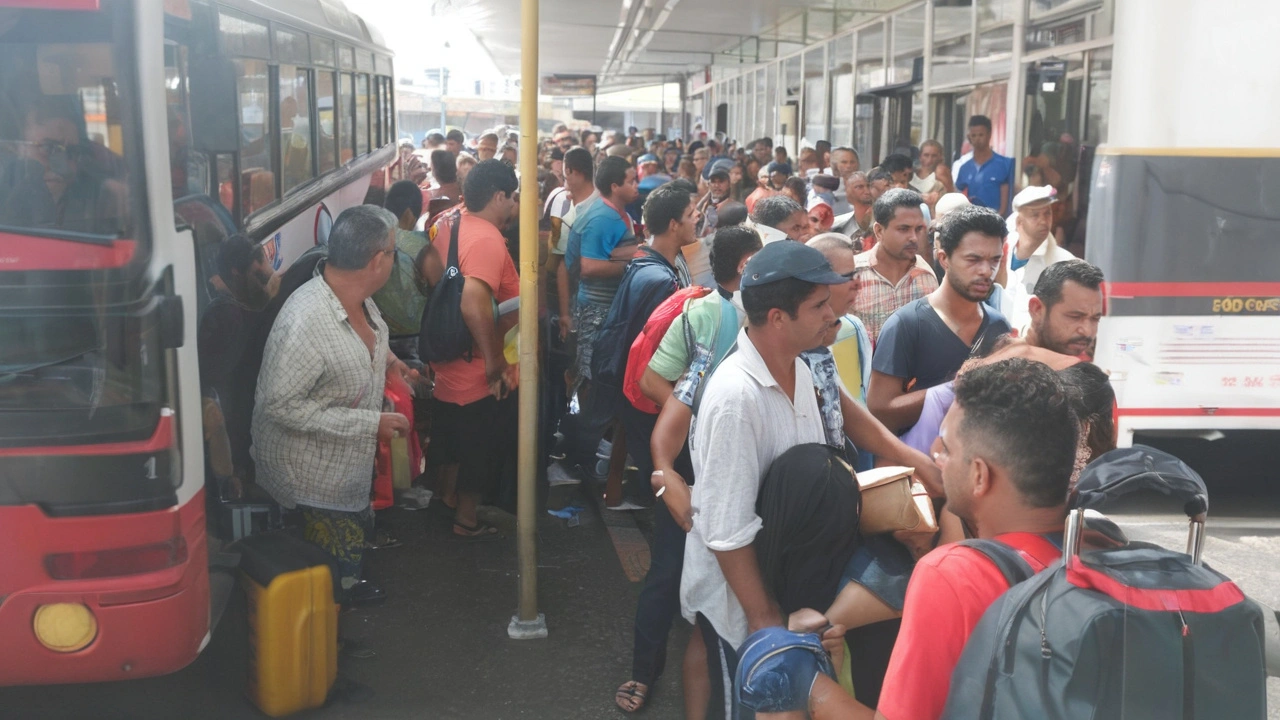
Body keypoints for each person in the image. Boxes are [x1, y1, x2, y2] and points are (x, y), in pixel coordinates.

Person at [769, 357, 1079, 720]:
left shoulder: (952, 576)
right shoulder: (1096, 547)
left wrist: (811, 686)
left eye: (947, 448)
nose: (934, 455)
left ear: (979, 475)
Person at [680, 240, 849, 718]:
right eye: (818, 306)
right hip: (742, 611)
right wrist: (764, 620)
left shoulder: (798, 366)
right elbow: (726, 530)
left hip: (779, 594)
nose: (830, 314)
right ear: (777, 317)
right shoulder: (737, 397)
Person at [251, 205, 408, 604]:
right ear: (377, 261)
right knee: (323, 583)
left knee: (346, 557)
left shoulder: (355, 296)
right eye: (393, 252)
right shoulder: (306, 321)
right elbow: (279, 406)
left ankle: (346, 588)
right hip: (312, 481)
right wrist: (369, 424)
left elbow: (363, 342)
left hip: (345, 471)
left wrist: (393, 364)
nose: (395, 259)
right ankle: (330, 638)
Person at [609, 183, 703, 711]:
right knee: (669, 557)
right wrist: (664, 451)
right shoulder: (668, 286)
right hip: (667, 433)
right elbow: (646, 372)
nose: (696, 224)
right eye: (692, 216)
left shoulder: (659, 270)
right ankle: (645, 670)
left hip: (662, 429)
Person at [428, 160, 522, 538]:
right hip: (476, 362)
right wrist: (494, 361)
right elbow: (472, 301)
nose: (514, 205)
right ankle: (466, 519)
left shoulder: (448, 219)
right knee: (479, 444)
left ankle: (446, 498)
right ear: (498, 196)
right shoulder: (486, 239)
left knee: (451, 437)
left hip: (449, 355)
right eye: (512, 197)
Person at [868, 205, 1011, 434]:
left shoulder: (998, 326)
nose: (986, 271)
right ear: (944, 259)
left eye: (995, 260)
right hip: (920, 465)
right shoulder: (907, 325)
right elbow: (880, 411)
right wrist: (959, 389)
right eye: (973, 260)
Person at [850, 188, 939, 343]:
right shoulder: (852, 276)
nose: (913, 238)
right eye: (903, 229)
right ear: (879, 231)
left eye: (918, 229)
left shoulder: (926, 277)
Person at [997, 185, 1075, 331]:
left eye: (1047, 214)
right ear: (1019, 222)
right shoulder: (1000, 253)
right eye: (1035, 215)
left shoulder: (1065, 262)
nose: (1043, 220)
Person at [371, 181, 430, 350]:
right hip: (415, 339)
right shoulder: (423, 244)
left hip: (378, 337)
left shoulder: (370, 241)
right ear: (409, 214)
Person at [1023, 259, 1105, 359]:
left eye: (1095, 319)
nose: (1087, 331)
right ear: (1037, 309)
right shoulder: (1006, 365)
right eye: (1075, 317)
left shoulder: (1084, 364)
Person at [955, 115, 1015, 215]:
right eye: (973, 136)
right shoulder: (964, 168)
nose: (977, 139)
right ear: (969, 137)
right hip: (972, 222)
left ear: (989, 134)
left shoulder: (1005, 164)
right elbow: (960, 197)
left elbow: (1007, 200)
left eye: (981, 135)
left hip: (997, 223)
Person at [831, 171, 873, 245]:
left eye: (869, 186)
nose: (867, 191)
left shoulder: (882, 222)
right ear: (848, 191)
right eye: (859, 187)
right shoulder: (838, 226)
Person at [698, 160, 735, 237]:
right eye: (713, 182)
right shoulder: (705, 205)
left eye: (721, 182)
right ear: (709, 184)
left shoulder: (733, 205)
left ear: (728, 184)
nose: (717, 185)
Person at [910, 139, 951, 206]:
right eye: (926, 155)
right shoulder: (911, 174)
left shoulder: (941, 173)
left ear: (940, 157)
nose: (930, 160)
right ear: (920, 157)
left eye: (934, 156)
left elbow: (950, 196)